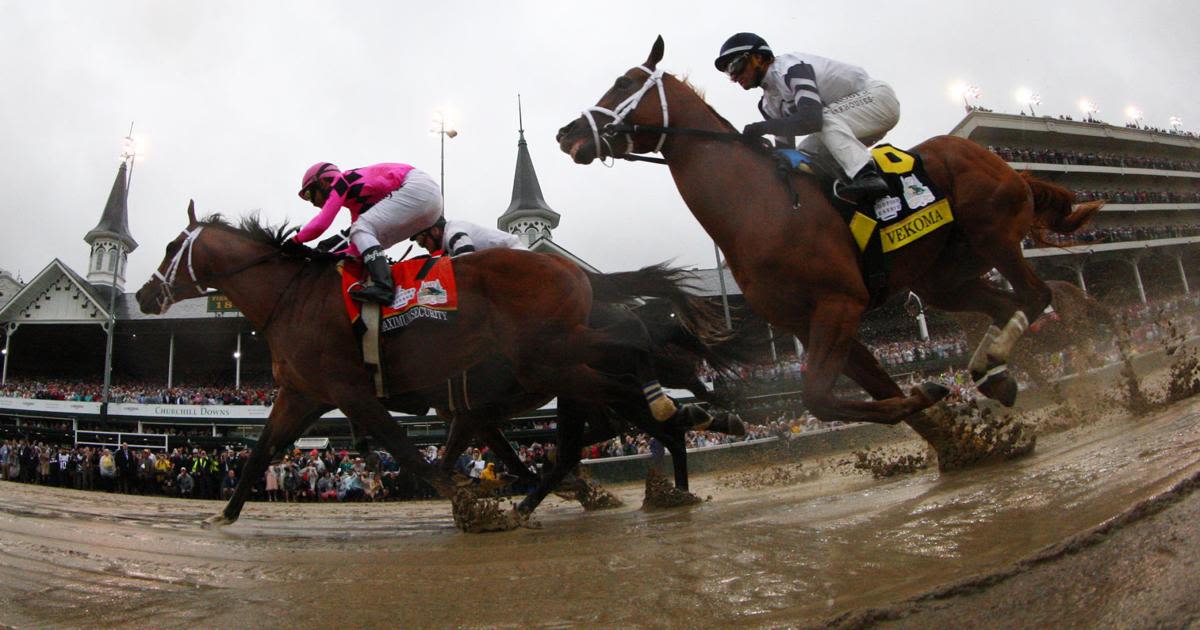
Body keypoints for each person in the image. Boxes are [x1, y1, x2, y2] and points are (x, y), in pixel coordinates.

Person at [714, 32, 897, 202]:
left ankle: (867, 176)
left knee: (823, 118)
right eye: (728, 73)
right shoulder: (767, 104)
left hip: (877, 100)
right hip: (848, 122)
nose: (734, 76)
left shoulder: (790, 68)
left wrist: (763, 128)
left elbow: (812, 120)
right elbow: (786, 151)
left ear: (758, 58)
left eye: (734, 66)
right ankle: (839, 195)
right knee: (803, 155)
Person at [292, 162, 443, 304]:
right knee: (367, 237)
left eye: (309, 195)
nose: (310, 202)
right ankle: (387, 289)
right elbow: (356, 249)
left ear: (323, 183)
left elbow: (322, 223)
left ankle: (384, 286)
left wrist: (294, 241)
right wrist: (328, 256)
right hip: (431, 205)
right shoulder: (357, 205)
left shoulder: (340, 181)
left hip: (418, 188)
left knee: (360, 229)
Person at [411, 217, 526, 257]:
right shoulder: (452, 233)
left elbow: (467, 263)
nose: (424, 247)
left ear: (435, 231)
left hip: (516, 253)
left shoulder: (453, 235)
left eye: (422, 242)